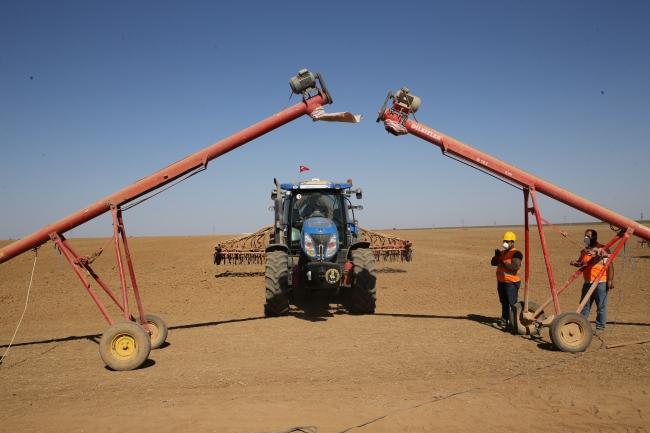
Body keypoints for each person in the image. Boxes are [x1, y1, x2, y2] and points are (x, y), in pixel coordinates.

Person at [570, 229, 614, 336]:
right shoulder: (584, 250)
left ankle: (600, 328)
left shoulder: (604, 249)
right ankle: (583, 325)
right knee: (584, 306)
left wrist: (610, 280)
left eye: (588, 236)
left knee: (601, 307)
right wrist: (575, 263)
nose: (586, 238)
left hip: (601, 282)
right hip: (588, 282)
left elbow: (610, 266)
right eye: (585, 236)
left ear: (594, 237)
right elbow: (581, 263)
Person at [491, 231, 523, 328]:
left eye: (507, 241)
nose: (505, 242)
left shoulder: (517, 253)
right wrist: (496, 257)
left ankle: (515, 324)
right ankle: (504, 321)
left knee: (513, 303)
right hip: (501, 281)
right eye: (504, 240)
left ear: (512, 242)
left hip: (511, 282)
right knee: (504, 302)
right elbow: (493, 263)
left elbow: (515, 266)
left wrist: (504, 263)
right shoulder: (502, 252)